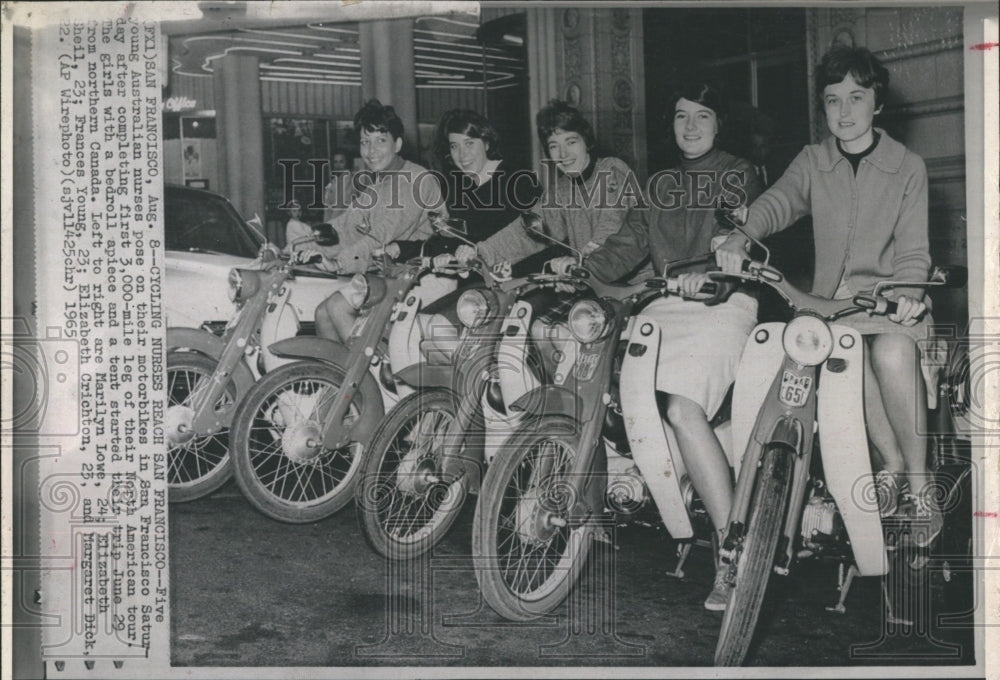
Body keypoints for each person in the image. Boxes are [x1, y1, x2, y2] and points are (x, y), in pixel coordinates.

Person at [715, 46, 939, 547]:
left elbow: (913, 250)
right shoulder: (814, 161)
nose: (844, 110)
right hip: (830, 307)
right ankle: (891, 464)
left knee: (891, 352)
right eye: (833, 100)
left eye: (856, 97)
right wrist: (740, 236)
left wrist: (908, 294)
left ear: (878, 103)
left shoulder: (907, 166)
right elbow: (777, 202)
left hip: (889, 304)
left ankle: (920, 482)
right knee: (843, 357)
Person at [552, 81, 762, 612]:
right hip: (664, 303)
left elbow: (735, 234)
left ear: (720, 124)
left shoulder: (738, 172)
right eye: (680, 116)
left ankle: (731, 547)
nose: (689, 127)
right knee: (599, 381)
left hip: (722, 304)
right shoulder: (660, 182)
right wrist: (583, 266)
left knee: (682, 408)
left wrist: (710, 271)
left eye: (702, 116)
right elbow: (628, 243)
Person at [295, 99, 446, 342]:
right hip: (394, 274)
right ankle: (342, 368)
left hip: (427, 277)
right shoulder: (377, 185)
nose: (371, 150)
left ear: (397, 144)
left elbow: (381, 235)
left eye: (380, 141)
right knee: (323, 313)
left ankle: (371, 367)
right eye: (365, 142)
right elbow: (344, 227)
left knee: (337, 307)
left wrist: (338, 263)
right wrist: (297, 248)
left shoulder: (416, 180)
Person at [457, 100, 642, 276]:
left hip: (632, 284)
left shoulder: (611, 170)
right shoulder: (561, 189)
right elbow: (527, 232)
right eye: (554, 146)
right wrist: (480, 252)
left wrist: (583, 262)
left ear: (586, 141)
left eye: (571, 142)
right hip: (590, 279)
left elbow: (611, 225)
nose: (563, 154)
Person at [323, 148, 355, 222]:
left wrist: (331, 224)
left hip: (341, 221)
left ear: (347, 163)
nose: (338, 165)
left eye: (341, 162)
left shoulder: (346, 180)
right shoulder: (335, 180)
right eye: (335, 162)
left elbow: (340, 206)